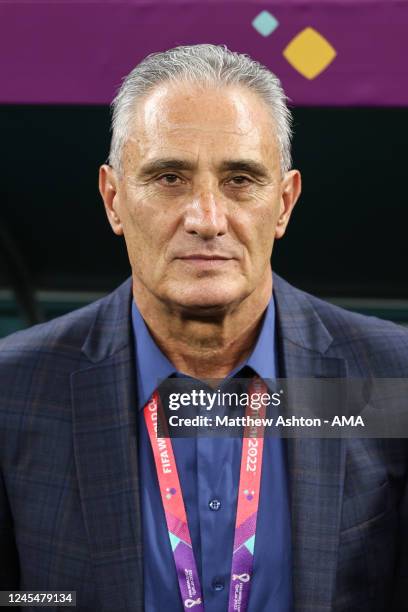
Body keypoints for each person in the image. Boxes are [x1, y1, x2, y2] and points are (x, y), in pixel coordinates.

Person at [0, 44, 407, 612]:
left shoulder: (393, 380)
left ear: (285, 203)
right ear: (113, 199)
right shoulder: (12, 392)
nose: (206, 219)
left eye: (240, 179)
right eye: (169, 177)